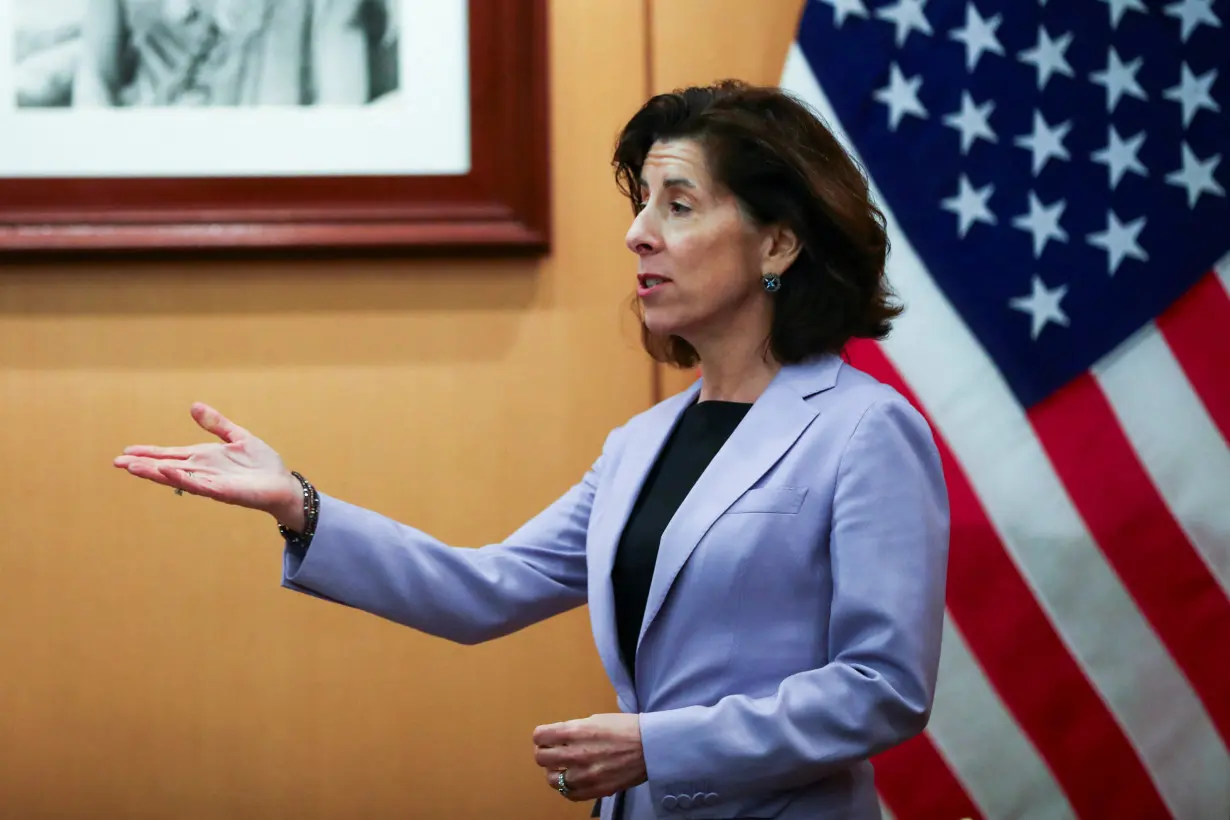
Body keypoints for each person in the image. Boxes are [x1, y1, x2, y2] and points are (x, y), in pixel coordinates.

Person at [114, 80, 950, 819]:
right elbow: (485, 590)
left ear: (777, 243)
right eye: (641, 204)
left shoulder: (864, 429)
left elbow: (884, 690)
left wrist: (660, 747)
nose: (638, 235)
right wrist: (299, 504)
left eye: (679, 205)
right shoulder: (640, 444)